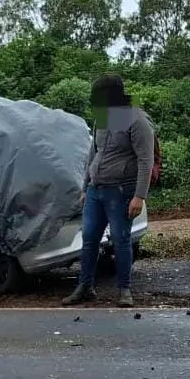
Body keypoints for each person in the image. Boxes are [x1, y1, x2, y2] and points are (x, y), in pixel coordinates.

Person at [62, 73, 154, 307]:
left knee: (121, 240)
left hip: (121, 191)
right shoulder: (103, 118)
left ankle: (124, 290)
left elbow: (146, 160)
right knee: (89, 239)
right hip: (96, 190)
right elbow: (93, 153)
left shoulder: (137, 120)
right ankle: (85, 286)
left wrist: (139, 196)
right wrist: (85, 187)